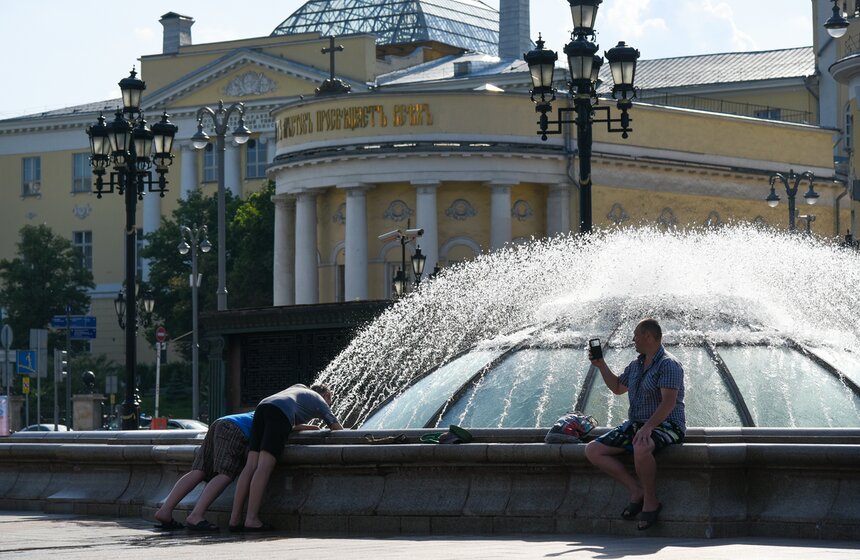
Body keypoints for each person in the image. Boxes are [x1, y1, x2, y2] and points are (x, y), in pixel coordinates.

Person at [584, 318, 685, 530]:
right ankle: (635, 490)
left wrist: (648, 428)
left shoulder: (669, 364)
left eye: (636, 335)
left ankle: (650, 501)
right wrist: (601, 365)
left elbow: (669, 403)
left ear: (648, 336)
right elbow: (618, 387)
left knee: (641, 446)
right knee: (593, 450)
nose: (633, 340)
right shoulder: (636, 365)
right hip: (637, 424)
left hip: (667, 425)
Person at [230, 383, 343, 531]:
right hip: (278, 412)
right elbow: (337, 429)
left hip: (262, 407)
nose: (329, 404)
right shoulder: (320, 401)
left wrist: (308, 427)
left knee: (250, 465)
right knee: (264, 466)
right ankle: (251, 519)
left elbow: (286, 422)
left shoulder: (299, 389)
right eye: (330, 401)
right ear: (327, 395)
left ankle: (234, 519)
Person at [154, 411, 255, 531]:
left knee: (199, 470)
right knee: (225, 474)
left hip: (220, 422)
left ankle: (165, 511)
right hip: (235, 428)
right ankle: (196, 515)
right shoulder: (280, 413)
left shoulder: (263, 407)